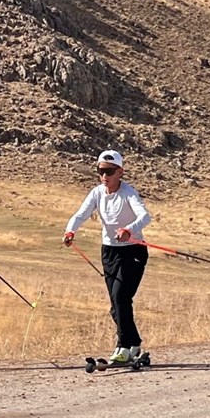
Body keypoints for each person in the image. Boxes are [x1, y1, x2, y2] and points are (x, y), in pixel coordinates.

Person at [63, 150, 152, 364]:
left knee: (121, 296)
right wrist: (70, 231)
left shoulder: (128, 192)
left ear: (120, 172)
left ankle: (122, 346)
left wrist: (129, 230)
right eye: (101, 171)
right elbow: (81, 214)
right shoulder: (97, 193)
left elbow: (145, 216)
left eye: (110, 171)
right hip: (109, 251)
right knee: (116, 303)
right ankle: (134, 343)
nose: (105, 176)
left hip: (133, 250)